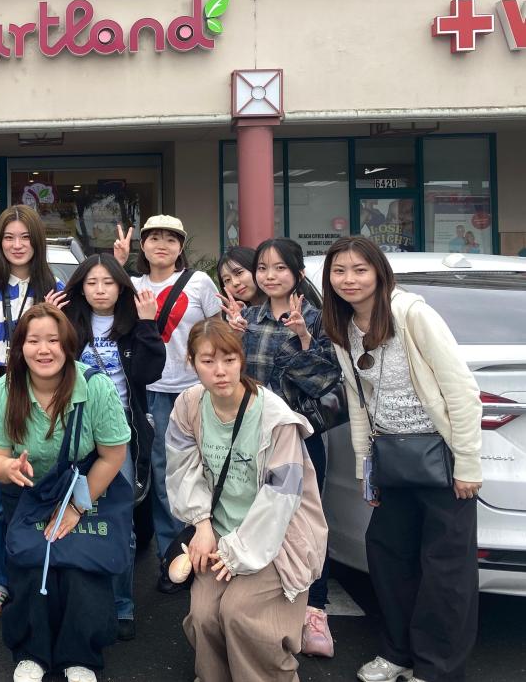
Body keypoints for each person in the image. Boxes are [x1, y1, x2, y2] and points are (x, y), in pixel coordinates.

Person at [321, 236, 481, 682]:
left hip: (440, 459)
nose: (348, 280)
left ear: (379, 273)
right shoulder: (344, 327)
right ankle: (398, 653)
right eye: (339, 271)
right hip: (392, 460)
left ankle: (436, 669)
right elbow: (358, 403)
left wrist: (467, 463)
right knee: (390, 560)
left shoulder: (412, 314)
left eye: (359, 269)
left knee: (445, 572)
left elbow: (462, 391)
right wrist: (364, 468)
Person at [167, 318, 327, 682]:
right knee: (205, 615)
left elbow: (281, 497)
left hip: (276, 537)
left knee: (241, 614)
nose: (220, 371)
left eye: (228, 360)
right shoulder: (188, 405)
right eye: (208, 361)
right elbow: (181, 468)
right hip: (218, 533)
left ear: (242, 361)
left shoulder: (275, 417)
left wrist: (239, 551)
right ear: (192, 363)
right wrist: (202, 525)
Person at [0, 303, 130, 682]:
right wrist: (9, 467)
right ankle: (32, 654)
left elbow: (113, 456)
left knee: (81, 568)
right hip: (30, 491)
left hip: (84, 488)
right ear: (20, 347)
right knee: (31, 567)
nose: (43, 350)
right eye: (33, 341)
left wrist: (78, 508)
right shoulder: (4, 390)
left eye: (53, 340)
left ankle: (80, 657)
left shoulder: (95, 387)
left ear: (68, 345)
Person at [218, 237, 342, 657]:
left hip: (301, 437)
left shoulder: (317, 317)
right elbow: (229, 377)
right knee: (255, 514)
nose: (269, 276)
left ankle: (315, 610)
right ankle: (260, 601)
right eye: (263, 269)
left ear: (298, 274)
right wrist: (232, 339)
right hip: (252, 436)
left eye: (279, 269)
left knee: (305, 522)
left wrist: (306, 339)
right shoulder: (245, 316)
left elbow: (326, 381)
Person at [0, 203, 65, 622]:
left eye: (25, 237)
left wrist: (58, 312)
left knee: (36, 490)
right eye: (8, 237)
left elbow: (59, 346)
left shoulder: (52, 285)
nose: (17, 245)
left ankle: (33, 572)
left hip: (36, 400)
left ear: (36, 241)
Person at [114, 214, 223, 592]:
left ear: (181, 246)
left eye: (170, 239)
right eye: (154, 238)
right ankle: (173, 558)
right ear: (142, 246)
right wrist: (117, 262)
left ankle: (208, 551)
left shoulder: (199, 283)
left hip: (198, 391)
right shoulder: (133, 283)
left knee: (205, 472)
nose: (162, 245)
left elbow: (218, 331)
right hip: (153, 392)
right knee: (164, 477)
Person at [60, 254, 166, 642]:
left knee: (120, 520)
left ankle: (123, 605)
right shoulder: (70, 322)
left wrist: (149, 324)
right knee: (71, 516)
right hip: (73, 427)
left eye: (108, 282)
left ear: (121, 286)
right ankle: (77, 602)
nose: (99, 289)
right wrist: (50, 318)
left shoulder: (132, 323)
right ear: (80, 287)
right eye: (91, 283)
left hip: (120, 428)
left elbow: (149, 373)